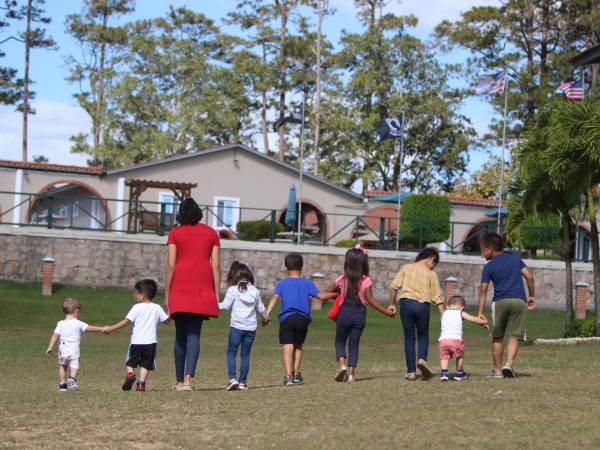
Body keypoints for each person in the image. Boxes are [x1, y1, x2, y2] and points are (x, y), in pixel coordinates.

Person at [165, 197, 221, 391]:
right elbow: (216, 265)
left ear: (180, 214)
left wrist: (167, 293)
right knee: (194, 334)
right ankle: (189, 380)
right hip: (203, 287)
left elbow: (171, 265)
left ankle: (179, 381)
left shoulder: (175, 233)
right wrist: (216, 292)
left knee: (180, 335)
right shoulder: (211, 233)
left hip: (179, 287)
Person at [324, 245, 395, 382]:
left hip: (344, 313)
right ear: (363, 263)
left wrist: (339, 294)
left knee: (339, 341)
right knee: (354, 345)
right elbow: (370, 300)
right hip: (359, 315)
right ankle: (351, 375)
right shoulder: (366, 280)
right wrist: (386, 312)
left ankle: (342, 366)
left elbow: (328, 292)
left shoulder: (342, 279)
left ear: (347, 262)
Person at [265, 252, 334, 386]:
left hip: (287, 318)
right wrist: (337, 293)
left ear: (285, 267)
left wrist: (266, 314)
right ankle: (296, 373)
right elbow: (322, 297)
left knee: (287, 345)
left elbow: (275, 298)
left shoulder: (282, 284)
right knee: (298, 345)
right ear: (302, 267)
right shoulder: (307, 283)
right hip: (302, 319)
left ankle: (288, 376)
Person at [478, 232, 535, 378]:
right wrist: (532, 295)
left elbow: (483, 290)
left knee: (498, 336)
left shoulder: (489, 266)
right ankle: (508, 365)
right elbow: (529, 275)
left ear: (490, 249)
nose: (482, 252)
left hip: (500, 302)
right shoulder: (516, 259)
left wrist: (480, 311)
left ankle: (497, 372)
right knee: (515, 335)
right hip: (519, 301)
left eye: (482, 249)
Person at [388, 247, 445, 381]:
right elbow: (437, 296)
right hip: (422, 306)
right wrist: (443, 314)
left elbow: (393, 287)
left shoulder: (406, 268)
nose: (433, 267)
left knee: (409, 337)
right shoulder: (431, 274)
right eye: (434, 264)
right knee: (423, 334)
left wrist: (392, 304)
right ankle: (422, 360)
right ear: (432, 258)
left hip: (406, 304)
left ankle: (411, 372)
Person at [103, 279, 170, 392]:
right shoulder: (157, 308)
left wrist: (112, 328)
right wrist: (169, 310)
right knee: (146, 364)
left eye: (136, 293)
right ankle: (141, 384)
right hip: (151, 343)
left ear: (142, 295)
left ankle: (130, 374)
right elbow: (167, 321)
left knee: (130, 362)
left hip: (136, 342)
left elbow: (126, 321)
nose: (135, 295)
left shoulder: (136, 308)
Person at [219, 262, 269, 391]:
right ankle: (242, 382)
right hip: (251, 329)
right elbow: (262, 309)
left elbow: (224, 306)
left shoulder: (233, 290)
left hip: (236, 327)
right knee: (245, 355)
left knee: (231, 352)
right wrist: (266, 319)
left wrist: (211, 304)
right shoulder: (255, 291)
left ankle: (232, 379)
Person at [45, 297, 104, 391]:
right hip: (74, 347)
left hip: (63, 347)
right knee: (74, 365)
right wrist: (102, 329)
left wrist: (50, 347)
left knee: (62, 366)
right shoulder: (78, 323)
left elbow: (55, 335)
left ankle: (62, 385)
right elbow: (90, 328)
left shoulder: (60, 323)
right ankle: (72, 379)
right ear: (77, 311)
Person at [438, 295, 488, 382]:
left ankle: (444, 374)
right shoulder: (460, 312)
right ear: (462, 308)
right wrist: (484, 322)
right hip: (456, 340)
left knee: (444, 357)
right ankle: (458, 373)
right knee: (459, 356)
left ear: (447, 306)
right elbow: (473, 319)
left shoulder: (444, 313)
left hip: (443, 340)